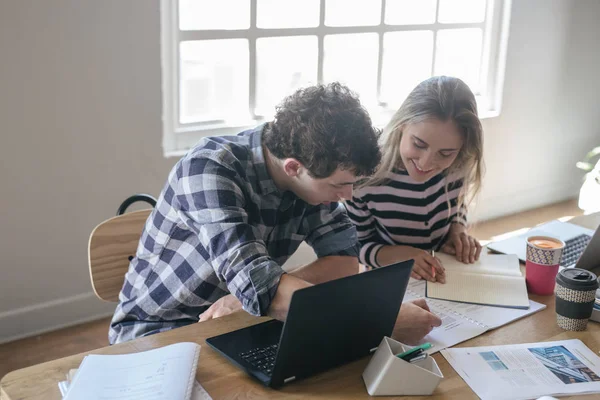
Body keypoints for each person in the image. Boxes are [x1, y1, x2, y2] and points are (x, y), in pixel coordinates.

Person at [109, 82, 440, 345]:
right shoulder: (208, 169)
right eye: (340, 185)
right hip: (159, 330)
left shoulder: (311, 175)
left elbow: (343, 262)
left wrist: (254, 298)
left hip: (241, 322)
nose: (348, 196)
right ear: (294, 167)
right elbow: (261, 287)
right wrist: (378, 319)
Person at [345, 76, 484, 284]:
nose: (426, 163)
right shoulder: (365, 175)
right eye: (419, 144)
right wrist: (399, 256)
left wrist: (457, 228)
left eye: (445, 153)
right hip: (388, 281)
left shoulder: (459, 163)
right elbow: (356, 246)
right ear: (402, 125)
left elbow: (457, 204)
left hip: (445, 275)